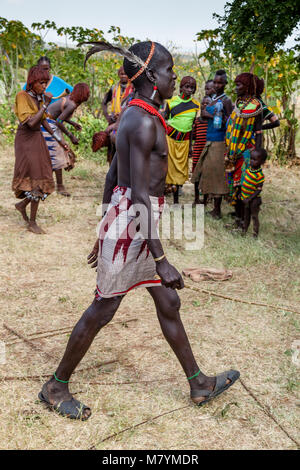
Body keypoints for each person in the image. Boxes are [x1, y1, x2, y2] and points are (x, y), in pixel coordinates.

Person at [38, 41, 240, 421]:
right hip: (136, 222)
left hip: (131, 221)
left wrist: (103, 226)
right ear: (151, 76)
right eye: (169, 73)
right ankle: (55, 385)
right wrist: (160, 258)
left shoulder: (134, 113)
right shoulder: (143, 119)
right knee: (103, 307)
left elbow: (114, 175)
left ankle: (199, 384)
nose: (174, 78)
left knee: (168, 302)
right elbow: (137, 194)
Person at [13, 66, 68, 234]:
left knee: (44, 176)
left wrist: (60, 141)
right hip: (26, 141)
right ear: (32, 82)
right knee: (36, 178)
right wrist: (45, 105)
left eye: (46, 83)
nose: (45, 87)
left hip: (37, 139)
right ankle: (32, 222)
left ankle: (22, 205)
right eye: (41, 83)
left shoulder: (38, 97)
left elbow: (43, 122)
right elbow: (30, 123)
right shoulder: (22, 96)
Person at [24, 57, 74, 197]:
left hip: (52, 122)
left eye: (46, 68)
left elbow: (72, 93)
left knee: (57, 152)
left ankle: (60, 185)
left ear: (50, 69)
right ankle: (40, 184)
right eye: (41, 68)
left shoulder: (57, 82)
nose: (43, 71)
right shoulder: (32, 83)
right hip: (36, 121)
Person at [225, 73, 264, 227]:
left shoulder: (256, 106)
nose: (236, 88)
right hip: (233, 152)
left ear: (247, 87)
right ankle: (238, 216)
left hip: (247, 152)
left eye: (239, 85)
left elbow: (259, 131)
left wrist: (258, 155)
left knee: (242, 186)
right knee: (234, 185)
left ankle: (242, 221)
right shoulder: (239, 103)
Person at [192, 70, 233, 219]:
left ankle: (217, 210)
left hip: (219, 141)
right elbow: (202, 114)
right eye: (215, 82)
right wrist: (213, 114)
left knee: (218, 175)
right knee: (209, 172)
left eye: (220, 82)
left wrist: (219, 117)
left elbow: (230, 121)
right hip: (209, 140)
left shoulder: (226, 100)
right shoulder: (212, 98)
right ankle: (212, 206)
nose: (216, 85)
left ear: (225, 84)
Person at [164, 76, 200, 204]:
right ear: (181, 88)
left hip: (184, 142)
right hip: (170, 139)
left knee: (180, 170)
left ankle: (176, 201)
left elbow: (191, 129)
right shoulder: (171, 102)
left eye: (192, 88)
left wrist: (190, 146)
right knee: (168, 168)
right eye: (187, 87)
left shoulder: (196, 105)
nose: (189, 90)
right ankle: (165, 194)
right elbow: (164, 120)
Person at [46, 83, 90, 169]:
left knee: (59, 155)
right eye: (88, 93)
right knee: (58, 156)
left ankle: (59, 182)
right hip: (48, 124)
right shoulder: (72, 105)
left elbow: (60, 116)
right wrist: (71, 136)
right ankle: (58, 182)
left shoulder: (70, 99)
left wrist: (73, 123)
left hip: (49, 121)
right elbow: (59, 121)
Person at [101, 66, 133, 164]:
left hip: (128, 122)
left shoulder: (133, 89)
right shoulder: (114, 88)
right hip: (114, 122)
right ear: (118, 75)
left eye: (125, 74)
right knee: (112, 146)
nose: (123, 76)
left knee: (125, 146)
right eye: (121, 74)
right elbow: (104, 102)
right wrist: (107, 117)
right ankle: (112, 169)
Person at [191, 79, 215, 205]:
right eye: (203, 104)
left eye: (208, 104)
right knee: (196, 175)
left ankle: (205, 200)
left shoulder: (212, 122)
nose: (205, 105)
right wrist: (190, 147)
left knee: (206, 175)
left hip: (208, 152)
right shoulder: (197, 121)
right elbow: (192, 135)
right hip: (197, 150)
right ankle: (196, 198)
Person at [241, 148, 267, 237]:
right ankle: (244, 230)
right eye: (251, 158)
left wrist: (250, 198)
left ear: (262, 162)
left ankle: (255, 234)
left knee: (254, 216)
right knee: (246, 215)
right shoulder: (249, 170)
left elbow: (259, 189)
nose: (252, 161)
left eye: (255, 160)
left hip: (254, 199)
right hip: (246, 198)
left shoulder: (259, 175)